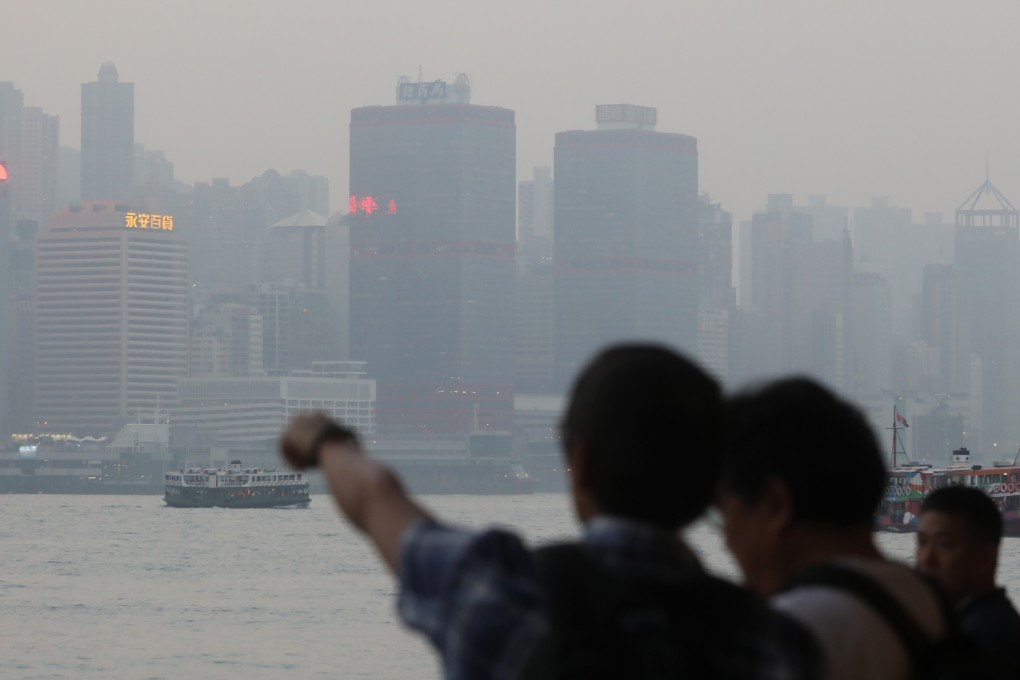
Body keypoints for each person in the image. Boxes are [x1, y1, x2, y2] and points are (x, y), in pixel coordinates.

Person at [280, 344, 819, 680]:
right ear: (712, 485)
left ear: (579, 463)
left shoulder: (501, 592)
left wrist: (324, 439)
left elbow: (375, 497)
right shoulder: (778, 645)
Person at [717, 377, 946, 680]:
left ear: (775, 505)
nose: (725, 541)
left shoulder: (791, 628)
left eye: (724, 516)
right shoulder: (930, 598)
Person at [916, 485, 1020, 660]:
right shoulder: (982, 621)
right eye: (922, 542)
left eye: (944, 545)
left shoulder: (982, 639)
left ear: (985, 556)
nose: (926, 559)